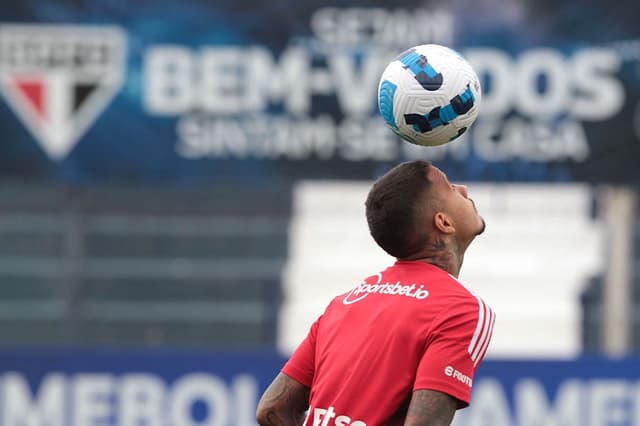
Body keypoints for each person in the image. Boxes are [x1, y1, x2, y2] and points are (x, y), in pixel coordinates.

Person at [256, 160, 495, 426]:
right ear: (444, 223)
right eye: (450, 188)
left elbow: (272, 409)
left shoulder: (347, 301)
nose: (462, 189)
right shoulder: (460, 308)